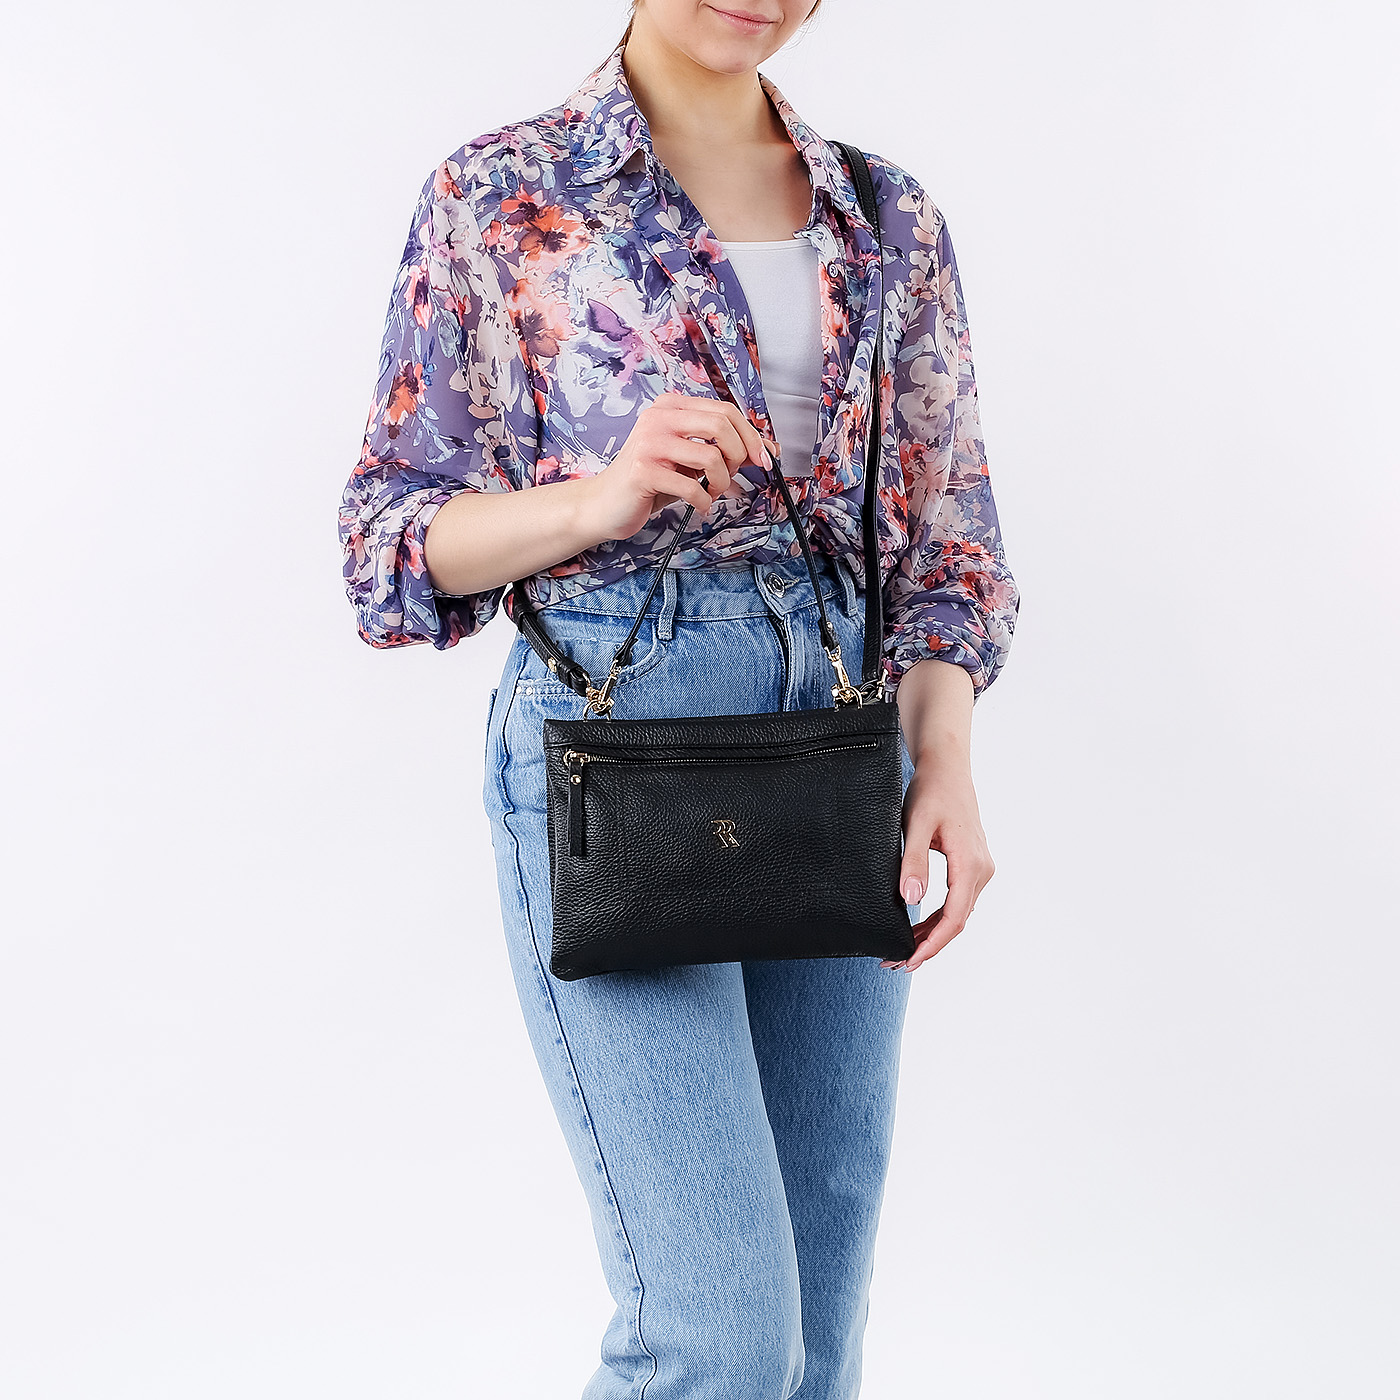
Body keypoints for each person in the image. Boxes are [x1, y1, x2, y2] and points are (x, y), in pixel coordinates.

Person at [338, 2, 1018, 1394]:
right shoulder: (504, 194)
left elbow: (947, 536)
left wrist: (943, 758)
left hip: (843, 744)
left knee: (814, 1337)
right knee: (717, 1337)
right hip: (617, 733)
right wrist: (598, 499)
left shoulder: (886, 214)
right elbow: (389, 545)